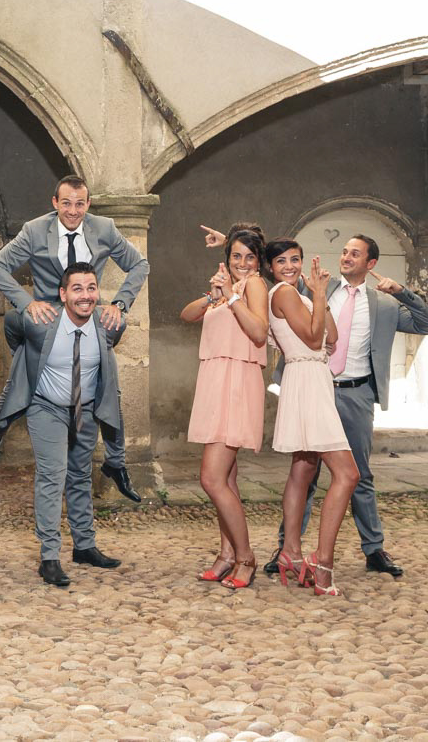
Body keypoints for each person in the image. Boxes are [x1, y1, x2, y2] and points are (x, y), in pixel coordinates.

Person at [263, 235, 428, 578]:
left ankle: (374, 549)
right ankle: (287, 547)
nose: (346, 257)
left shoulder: (385, 305)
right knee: (305, 470)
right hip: (316, 387)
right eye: (344, 251)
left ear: (370, 264)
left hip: (355, 393)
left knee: (359, 474)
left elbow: (427, 325)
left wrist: (401, 292)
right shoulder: (318, 289)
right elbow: (279, 290)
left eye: (354, 254)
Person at [0, 175, 148, 501]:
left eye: (80, 204)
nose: (73, 210)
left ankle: (116, 462)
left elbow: (139, 264)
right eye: (66, 203)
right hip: (47, 320)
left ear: (88, 204)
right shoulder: (35, 230)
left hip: (88, 316)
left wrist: (120, 303)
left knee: (109, 383)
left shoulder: (104, 228)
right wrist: (27, 303)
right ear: (55, 203)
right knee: (19, 374)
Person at [0, 262, 129, 586]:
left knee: (80, 474)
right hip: (46, 406)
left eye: (91, 288)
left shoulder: (108, 323)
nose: (85, 295)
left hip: (85, 408)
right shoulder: (41, 321)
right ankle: (50, 557)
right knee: (53, 475)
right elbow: (11, 326)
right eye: (77, 288)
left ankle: (84, 546)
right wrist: (27, 359)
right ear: (63, 294)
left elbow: (109, 350)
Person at [265, 240, 359, 596]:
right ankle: (322, 562)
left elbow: (332, 336)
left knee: (303, 469)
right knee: (347, 474)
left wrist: (318, 297)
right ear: (271, 267)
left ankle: (290, 552)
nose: (289, 266)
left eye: (295, 259)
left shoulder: (298, 294)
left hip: (311, 377)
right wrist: (318, 295)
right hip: (306, 378)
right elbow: (313, 336)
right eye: (281, 261)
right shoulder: (284, 293)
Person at [179, 230, 269, 588]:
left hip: (236, 381)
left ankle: (246, 557)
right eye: (236, 256)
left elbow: (259, 332)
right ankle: (227, 554)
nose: (242, 263)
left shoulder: (254, 286)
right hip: (214, 379)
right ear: (227, 258)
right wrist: (213, 296)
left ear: (259, 261)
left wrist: (231, 296)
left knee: (211, 479)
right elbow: (186, 315)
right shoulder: (223, 290)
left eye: (249, 257)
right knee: (226, 479)